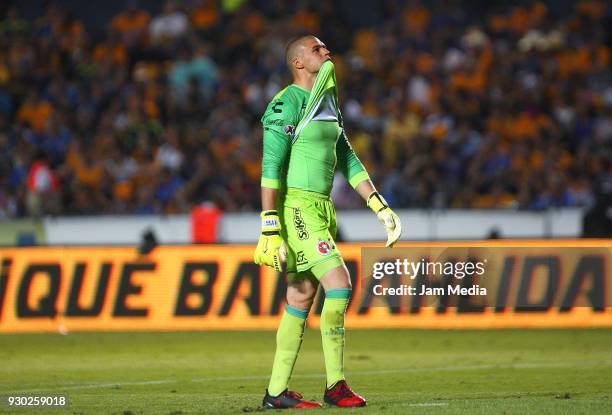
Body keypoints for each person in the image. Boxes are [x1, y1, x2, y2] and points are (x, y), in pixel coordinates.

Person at [254, 35, 402, 409]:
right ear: (298, 62)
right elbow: (270, 168)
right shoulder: (285, 104)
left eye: (326, 47)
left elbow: (347, 157)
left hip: (323, 208)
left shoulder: (327, 101)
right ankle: (336, 385)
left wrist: (379, 205)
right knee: (339, 283)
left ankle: (275, 392)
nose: (327, 52)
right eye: (317, 49)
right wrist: (270, 224)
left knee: (301, 295)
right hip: (297, 209)